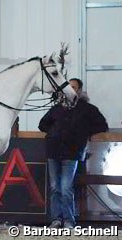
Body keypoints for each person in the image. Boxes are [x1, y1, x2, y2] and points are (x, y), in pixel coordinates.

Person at [38, 78, 108, 229]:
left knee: (65, 188)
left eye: (74, 87)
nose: (71, 90)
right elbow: (42, 124)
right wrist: (53, 132)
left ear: (80, 90)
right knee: (55, 187)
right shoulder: (57, 108)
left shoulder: (87, 109)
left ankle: (69, 220)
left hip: (72, 152)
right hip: (54, 151)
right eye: (68, 87)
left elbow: (102, 125)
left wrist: (84, 134)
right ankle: (56, 219)